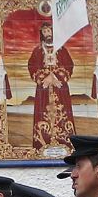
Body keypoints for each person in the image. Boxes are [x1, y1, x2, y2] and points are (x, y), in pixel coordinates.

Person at [28, 22, 77, 153]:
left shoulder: (62, 50)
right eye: (45, 32)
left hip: (60, 89)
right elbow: (32, 67)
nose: (48, 34)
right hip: (43, 90)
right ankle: (42, 143)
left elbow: (69, 66)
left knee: (63, 115)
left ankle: (65, 142)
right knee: (43, 114)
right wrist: (45, 77)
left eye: (49, 31)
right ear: (42, 34)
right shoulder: (38, 51)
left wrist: (56, 77)